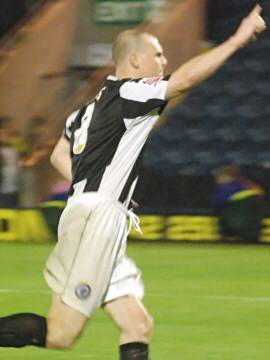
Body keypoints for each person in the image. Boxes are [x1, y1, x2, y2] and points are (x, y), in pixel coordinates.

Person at [0, 5, 266, 359]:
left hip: (97, 214)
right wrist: (235, 40)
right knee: (62, 335)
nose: (164, 59)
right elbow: (183, 81)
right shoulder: (131, 92)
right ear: (136, 61)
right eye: (158, 54)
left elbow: (58, 155)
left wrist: (100, 185)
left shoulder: (85, 110)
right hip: (97, 222)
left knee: (137, 325)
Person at [212, 165, 265, 243]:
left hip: (237, 220)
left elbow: (217, 201)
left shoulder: (227, 187)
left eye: (219, 176)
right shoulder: (247, 184)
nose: (217, 179)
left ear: (226, 176)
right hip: (254, 226)